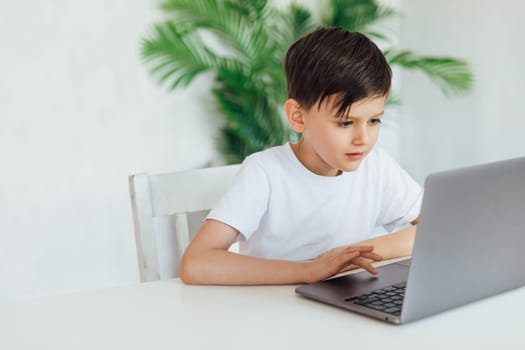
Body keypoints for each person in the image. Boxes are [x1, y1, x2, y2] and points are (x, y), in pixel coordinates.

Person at [179, 27, 422, 285]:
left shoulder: (377, 166)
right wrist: (309, 271)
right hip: (274, 311)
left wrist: (353, 253)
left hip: (342, 306)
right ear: (298, 116)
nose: (363, 138)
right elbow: (196, 263)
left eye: (374, 120)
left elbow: (439, 229)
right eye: (345, 123)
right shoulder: (265, 172)